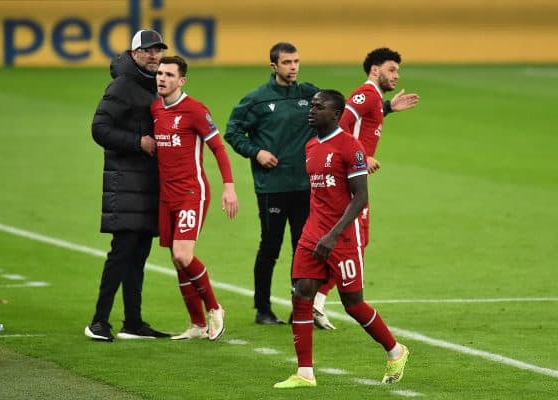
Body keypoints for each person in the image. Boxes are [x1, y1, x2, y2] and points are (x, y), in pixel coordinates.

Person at [274, 90, 409, 389]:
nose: (312, 110)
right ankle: (305, 373)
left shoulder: (350, 146)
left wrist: (333, 235)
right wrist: (317, 232)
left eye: (319, 107)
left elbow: (361, 197)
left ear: (336, 114)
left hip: (343, 237)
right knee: (302, 294)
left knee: (353, 304)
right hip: (312, 234)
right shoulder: (310, 146)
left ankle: (395, 351)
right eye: (311, 106)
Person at [312, 47, 419, 330]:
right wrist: (361, 154)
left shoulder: (374, 99)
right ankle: (316, 298)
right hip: (349, 180)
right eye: (391, 69)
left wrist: (388, 109)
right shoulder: (367, 93)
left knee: (352, 242)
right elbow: (341, 124)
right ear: (375, 70)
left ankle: (316, 299)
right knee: (353, 243)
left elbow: (358, 122)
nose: (396, 75)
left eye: (397, 70)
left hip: (349, 177)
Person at [85, 30, 171, 341]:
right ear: (133, 54)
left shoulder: (155, 86)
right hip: (126, 184)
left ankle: (133, 321)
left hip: (148, 185)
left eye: (157, 50)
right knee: (121, 253)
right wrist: (138, 142)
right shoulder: (122, 86)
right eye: (147, 51)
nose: (153, 56)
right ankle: (98, 321)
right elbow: (99, 129)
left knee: (138, 256)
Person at [224, 42, 319, 325]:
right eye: (288, 62)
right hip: (272, 187)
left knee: (303, 249)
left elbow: (343, 113)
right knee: (271, 247)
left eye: (297, 61)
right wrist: (257, 152)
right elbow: (232, 132)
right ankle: (262, 309)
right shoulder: (257, 100)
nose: (293, 67)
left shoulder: (310, 94)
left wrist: (385, 107)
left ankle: (299, 309)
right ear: (274, 66)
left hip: (305, 185)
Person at [151, 56, 238, 341]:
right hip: (167, 196)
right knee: (176, 262)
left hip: (192, 192)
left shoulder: (195, 110)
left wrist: (229, 186)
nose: (162, 78)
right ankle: (197, 325)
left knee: (182, 254)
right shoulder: (155, 109)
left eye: (168, 74)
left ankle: (215, 308)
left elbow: (218, 149)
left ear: (181, 80)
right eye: (160, 73)